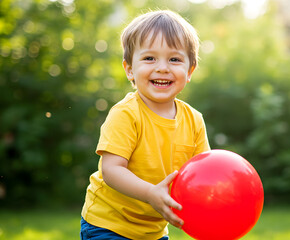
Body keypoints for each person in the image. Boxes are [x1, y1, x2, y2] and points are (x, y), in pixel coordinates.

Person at [80, 10, 210, 240]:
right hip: (109, 223)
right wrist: (150, 192)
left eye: (174, 59)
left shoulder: (194, 120)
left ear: (190, 71)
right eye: (149, 58)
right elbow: (111, 170)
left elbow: (202, 176)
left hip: (153, 230)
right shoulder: (126, 114)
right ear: (130, 69)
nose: (162, 67)